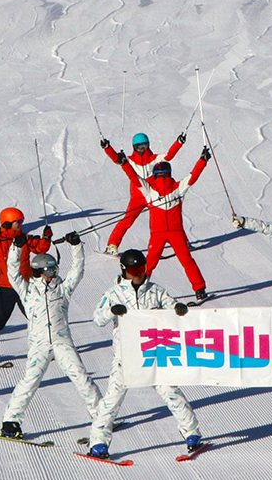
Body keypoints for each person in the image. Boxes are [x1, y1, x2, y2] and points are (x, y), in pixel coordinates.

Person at [86, 249, 200, 458]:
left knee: (172, 393)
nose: (138, 273)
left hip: (153, 353)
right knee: (111, 401)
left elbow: (172, 306)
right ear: (124, 270)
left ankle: (192, 434)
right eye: (133, 269)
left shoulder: (155, 291)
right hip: (126, 358)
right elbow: (97, 319)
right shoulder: (114, 293)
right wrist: (112, 311)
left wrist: (179, 309)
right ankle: (98, 443)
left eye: (142, 268)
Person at [0, 231, 101, 438]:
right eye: (50, 270)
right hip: (39, 344)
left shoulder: (62, 289)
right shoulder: (27, 291)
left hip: (62, 341)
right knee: (30, 381)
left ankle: (102, 416)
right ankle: (10, 422)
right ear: (39, 271)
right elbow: (12, 273)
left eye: (55, 269)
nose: (54, 273)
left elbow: (77, 270)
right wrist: (16, 249)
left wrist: (76, 246)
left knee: (80, 376)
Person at [0, 207, 52, 362]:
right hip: (6, 288)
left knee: (37, 318)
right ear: (8, 223)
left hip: (26, 286)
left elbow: (40, 248)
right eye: (18, 222)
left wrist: (46, 238)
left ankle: (46, 348)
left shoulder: (25, 239)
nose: (21, 224)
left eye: (21, 221)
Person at [143, 150, 210, 303]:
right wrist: (202, 160)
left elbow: (133, 177)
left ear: (155, 175)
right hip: (176, 233)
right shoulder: (178, 188)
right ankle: (199, 290)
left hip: (157, 234)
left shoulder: (150, 190)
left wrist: (122, 162)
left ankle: (139, 290)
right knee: (186, 260)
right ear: (169, 173)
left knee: (150, 263)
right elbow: (193, 176)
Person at [102, 132, 185, 254]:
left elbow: (169, 155)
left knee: (167, 218)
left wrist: (179, 142)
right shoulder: (130, 161)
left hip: (153, 195)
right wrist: (107, 148)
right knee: (127, 220)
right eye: (139, 146)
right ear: (134, 147)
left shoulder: (154, 159)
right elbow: (117, 159)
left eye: (145, 146)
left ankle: (182, 242)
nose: (142, 149)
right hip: (138, 197)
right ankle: (112, 245)